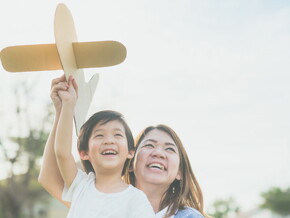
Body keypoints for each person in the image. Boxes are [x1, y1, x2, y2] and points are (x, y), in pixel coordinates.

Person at [39, 74, 209, 218]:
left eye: (169, 149)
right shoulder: (95, 192)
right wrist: (62, 110)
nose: (158, 153)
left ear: (180, 171)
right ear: (132, 158)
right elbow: (53, 169)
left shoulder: (187, 216)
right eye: (149, 145)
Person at [40, 75, 155, 218]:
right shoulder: (81, 186)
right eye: (99, 135)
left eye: (117, 135)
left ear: (130, 152)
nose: (108, 140)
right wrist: (67, 106)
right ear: (83, 153)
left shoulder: (137, 200)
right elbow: (61, 153)